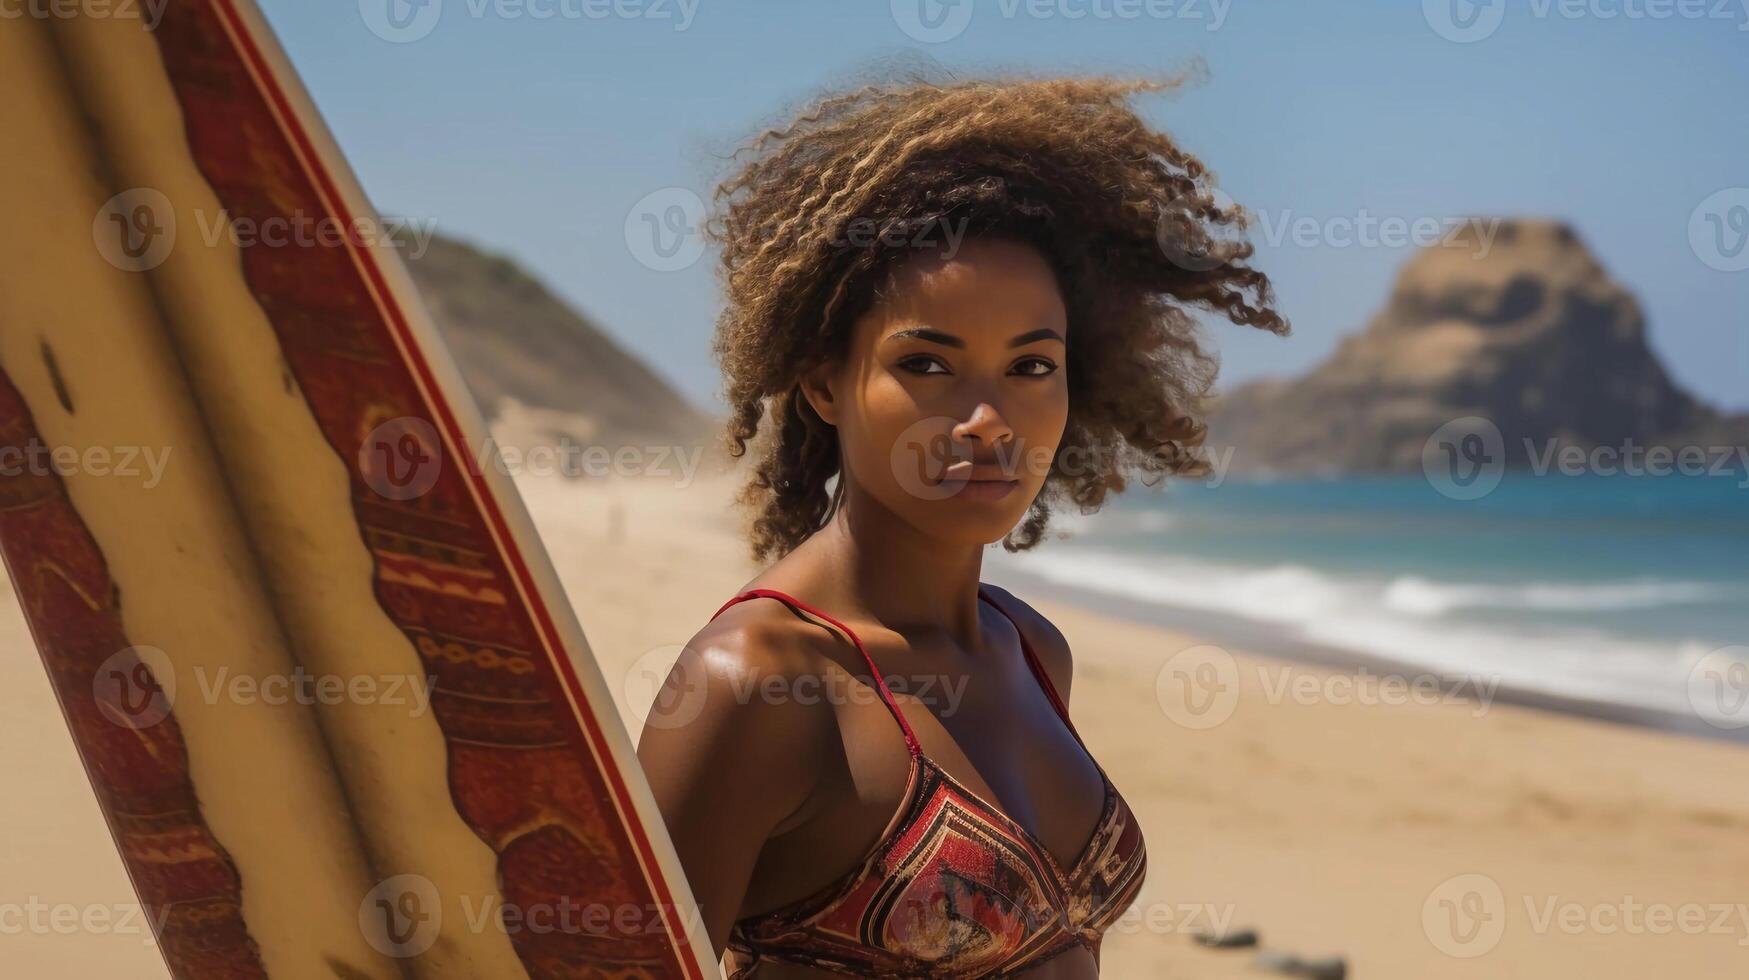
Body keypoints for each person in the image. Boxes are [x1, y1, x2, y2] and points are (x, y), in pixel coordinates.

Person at [638, 70, 1288, 978]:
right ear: (825, 381)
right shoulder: (758, 683)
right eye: (928, 364)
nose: (988, 421)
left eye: (1029, 367)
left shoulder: (1028, 649)